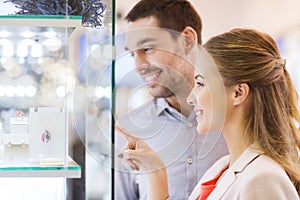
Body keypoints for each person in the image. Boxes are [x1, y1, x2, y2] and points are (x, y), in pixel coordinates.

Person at [116, 28, 300, 199]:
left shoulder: (263, 179)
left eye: (201, 84)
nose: (191, 98)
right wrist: (155, 171)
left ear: (238, 93)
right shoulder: (221, 169)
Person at [114, 0, 228, 199]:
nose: (139, 65)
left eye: (147, 49)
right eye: (133, 54)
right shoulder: (129, 131)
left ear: (187, 40)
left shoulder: (237, 116)